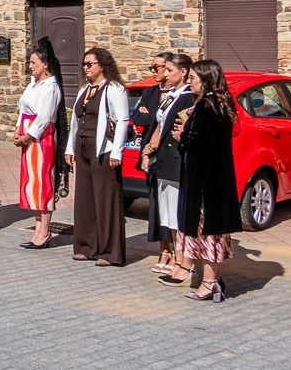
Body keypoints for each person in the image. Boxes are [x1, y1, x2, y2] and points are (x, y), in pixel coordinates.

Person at [173, 59, 243, 302]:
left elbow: (195, 142)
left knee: (207, 234)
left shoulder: (206, 105)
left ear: (205, 80)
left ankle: (209, 283)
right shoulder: (222, 103)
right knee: (213, 233)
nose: (190, 82)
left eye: (193, 78)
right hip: (217, 179)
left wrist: (182, 136)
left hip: (204, 182)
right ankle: (213, 281)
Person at [64, 46, 130, 265]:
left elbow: (122, 120)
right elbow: (75, 121)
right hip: (83, 145)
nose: (86, 68)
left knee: (105, 198)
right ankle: (86, 246)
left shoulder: (114, 88)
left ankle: (109, 251)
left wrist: (117, 151)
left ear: (102, 65)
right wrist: (70, 148)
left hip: (103, 147)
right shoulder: (85, 89)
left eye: (90, 64)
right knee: (85, 197)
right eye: (84, 64)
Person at [143, 54, 195, 280]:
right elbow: (159, 124)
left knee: (177, 214)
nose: (165, 74)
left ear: (183, 72)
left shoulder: (188, 97)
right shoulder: (171, 95)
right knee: (168, 214)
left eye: (170, 70)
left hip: (176, 160)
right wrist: (148, 151)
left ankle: (183, 262)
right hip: (163, 159)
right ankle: (177, 257)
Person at [14, 39, 64, 249]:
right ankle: (38, 228)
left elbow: (44, 117)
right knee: (32, 182)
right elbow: (23, 109)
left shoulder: (50, 87)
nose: (30, 66)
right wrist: (18, 129)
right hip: (28, 134)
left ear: (45, 64)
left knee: (42, 182)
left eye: (34, 62)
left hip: (41, 138)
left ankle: (45, 229)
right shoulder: (32, 84)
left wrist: (28, 135)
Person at [132, 52, 171, 266]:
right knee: (156, 205)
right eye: (152, 67)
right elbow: (138, 116)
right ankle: (164, 249)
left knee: (172, 206)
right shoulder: (150, 92)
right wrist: (151, 115)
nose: (153, 71)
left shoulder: (179, 95)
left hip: (170, 155)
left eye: (157, 67)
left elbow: (158, 119)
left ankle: (178, 252)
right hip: (151, 155)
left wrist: (151, 114)